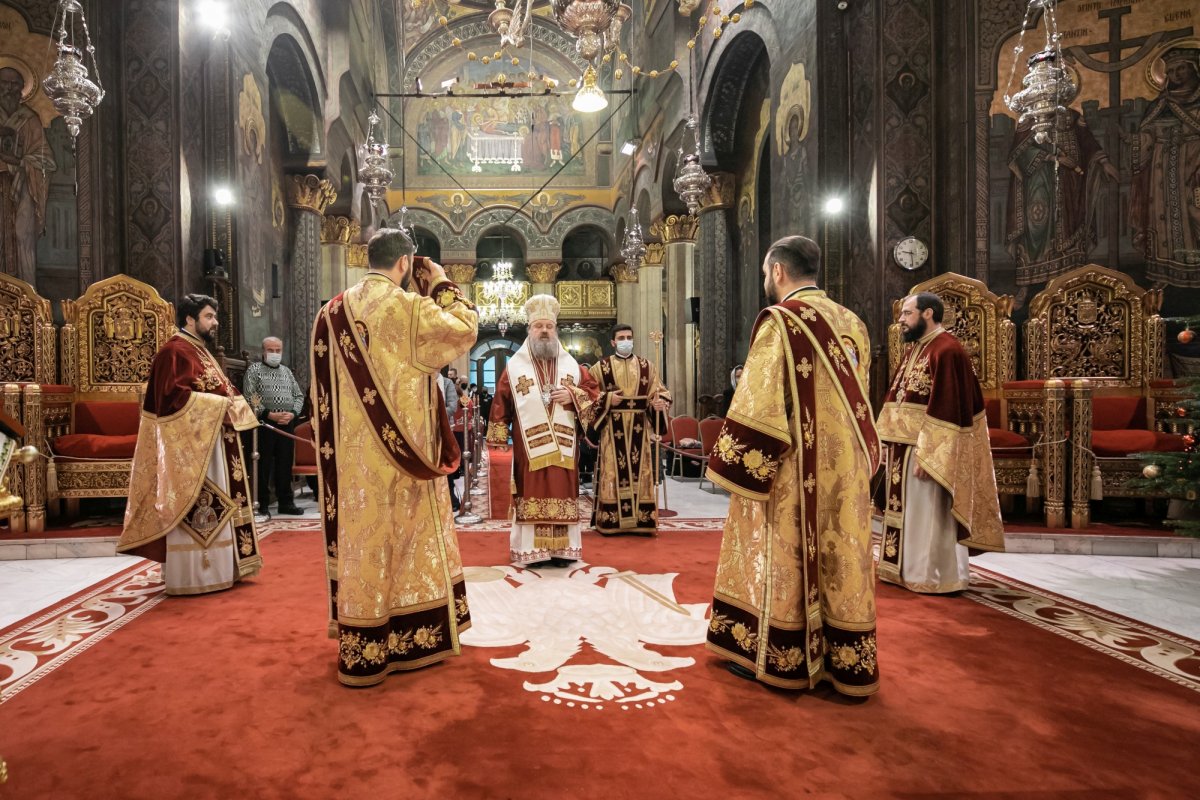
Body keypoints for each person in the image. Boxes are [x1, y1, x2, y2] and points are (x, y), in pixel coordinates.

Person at [705, 236, 882, 696]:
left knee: (784, 556)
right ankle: (844, 662)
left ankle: (783, 657)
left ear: (778, 271)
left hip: (796, 467)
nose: (767, 279)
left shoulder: (781, 322)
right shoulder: (853, 323)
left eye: (767, 272)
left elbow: (758, 403)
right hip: (846, 468)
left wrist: (736, 467)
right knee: (842, 560)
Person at [310, 228, 478, 686]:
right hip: (407, 454)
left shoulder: (330, 313)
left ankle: (363, 643)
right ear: (405, 263)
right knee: (407, 540)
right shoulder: (410, 308)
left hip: (351, 460)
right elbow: (465, 326)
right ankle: (410, 637)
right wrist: (440, 282)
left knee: (365, 544)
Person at [118, 294, 264, 595]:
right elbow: (172, 401)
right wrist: (218, 406)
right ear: (189, 319)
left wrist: (232, 406)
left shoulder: (198, 350)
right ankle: (197, 575)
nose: (215, 322)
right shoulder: (174, 351)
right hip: (192, 450)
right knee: (200, 505)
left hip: (212, 443)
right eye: (209, 316)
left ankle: (224, 567)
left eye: (215, 316)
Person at [876, 292, 1005, 594]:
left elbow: (949, 407)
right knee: (910, 515)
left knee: (928, 515)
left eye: (907, 313)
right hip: (901, 449)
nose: (901, 320)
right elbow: (896, 398)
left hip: (926, 452)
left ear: (928, 313)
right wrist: (882, 442)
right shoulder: (917, 349)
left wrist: (931, 453)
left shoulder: (947, 350)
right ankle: (904, 571)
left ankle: (933, 576)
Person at [487, 294, 600, 567]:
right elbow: (501, 400)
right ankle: (532, 551)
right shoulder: (515, 367)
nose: (545, 331)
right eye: (539, 326)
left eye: (549, 326)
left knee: (563, 490)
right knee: (531, 491)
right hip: (529, 447)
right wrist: (498, 435)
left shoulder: (572, 366)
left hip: (564, 445)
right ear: (529, 330)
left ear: (556, 330)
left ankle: (562, 550)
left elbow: (593, 393)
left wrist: (573, 395)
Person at [586, 323, 671, 535]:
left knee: (641, 473)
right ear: (613, 342)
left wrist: (659, 403)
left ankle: (642, 521)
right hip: (611, 430)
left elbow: (660, 392)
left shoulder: (647, 366)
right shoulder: (600, 368)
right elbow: (588, 396)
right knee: (612, 473)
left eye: (629, 337)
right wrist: (607, 399)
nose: (626, 341)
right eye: (621, 338)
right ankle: (611, 521)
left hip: (639, 428)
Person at [1130, 45, 1200, 285]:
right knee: (1163, 216)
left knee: (1193, 213)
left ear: (1194, 69)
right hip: (1161, 170)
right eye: (1171, 71)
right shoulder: (1159, 105)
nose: (1176, 75)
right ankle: (1165, 271)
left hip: (1193, 167)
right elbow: (1146, 135)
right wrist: (1136, 141)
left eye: (1181, 69)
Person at [0, 66, 57, 285]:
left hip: (22, 186)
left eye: (14, 84)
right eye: (4, 83)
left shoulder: (29, 119)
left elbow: (46, 159)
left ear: (22, 88)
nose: (9, 88)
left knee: (21, 235)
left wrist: (18, 160)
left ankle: (25, 293)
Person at [243, 336, 305, 515]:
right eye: (271, 350)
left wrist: (293, 413)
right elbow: (250, 395)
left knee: (285, 464)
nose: (275, 353)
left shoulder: (287, 371)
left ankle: (286, 502)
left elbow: (298, 396)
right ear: (263, 351)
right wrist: (268, 413)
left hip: (286, 423)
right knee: (263, 465)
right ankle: (262, 503)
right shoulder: (254, 370)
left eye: (278, 350)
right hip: (264, 424)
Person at [442, 367, 462, 511]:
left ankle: (451, 497)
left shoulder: (446, 383)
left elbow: (452, 407)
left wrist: (434, 414)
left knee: (445, 461)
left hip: (444, 428)